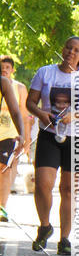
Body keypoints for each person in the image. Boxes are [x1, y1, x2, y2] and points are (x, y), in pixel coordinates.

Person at [26, 36, 79, 255]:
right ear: (62, 50)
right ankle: (45, 226)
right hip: (49, 134)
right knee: (43, 183)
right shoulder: (45, 73)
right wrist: (41, 114)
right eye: (68, 48)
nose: (71, 52)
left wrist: (75, 115)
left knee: (68, 189)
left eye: (76, 50)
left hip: (76, 138)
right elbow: (30, 102)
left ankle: (64, 239)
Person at [0, 57, 29, 221]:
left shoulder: (8, 84)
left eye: (7, 67)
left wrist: (23, 135)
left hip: (7, 135)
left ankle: (2, 207)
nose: (4, 69)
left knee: (4, 170)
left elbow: (18, 112)